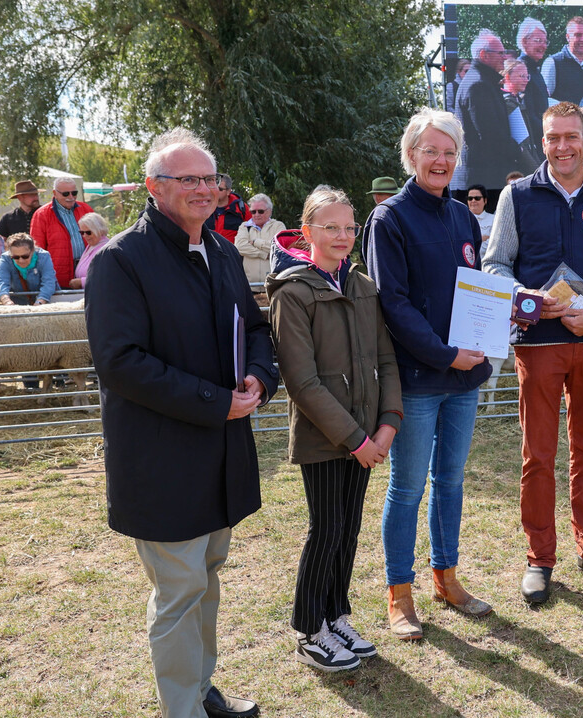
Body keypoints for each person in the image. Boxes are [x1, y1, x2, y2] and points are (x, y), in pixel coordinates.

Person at [85, 127, 278, 718]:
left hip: (220, 453)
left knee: (207, 578)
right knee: (178, 591)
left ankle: (199, 689)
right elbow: (121, 363)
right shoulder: (121, 260)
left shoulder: (219, 250)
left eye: (208, 179)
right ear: (153, 187)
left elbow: (257, 332)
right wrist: (212, 401)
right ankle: (183, 710)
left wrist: (258, 380)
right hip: (162, 457)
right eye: (186, 179)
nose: (202, 190)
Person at [483, 101, 583, 605]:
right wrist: (526, 301)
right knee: (538, 454)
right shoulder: (516, 194)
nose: (563, 146)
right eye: (553, 138)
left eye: (571, 137)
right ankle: (539, 558)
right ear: (543, 141)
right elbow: (495, 266)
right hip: (539, 344)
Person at [365, 107, 494, 640]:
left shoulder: (463, 216)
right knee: (408, 487)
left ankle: (447, 577)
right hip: (418, 381)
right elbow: (392, 304)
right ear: (411, 154)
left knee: (452, 482)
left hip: (465, 379)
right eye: (431, 150)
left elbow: (477, 287)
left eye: (449, 152)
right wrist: (445, 354)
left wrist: (501, 315)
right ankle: (400, 592)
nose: (441, 160)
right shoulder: (389, 218)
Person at [268, 186, 401, 672]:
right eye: (331, 227)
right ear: (307, 232)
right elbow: (302, 382)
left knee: (348, 529)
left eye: (350, 228)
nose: (343, 236)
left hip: (367, 434)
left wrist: (387, 424)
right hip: (327, 438)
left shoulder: (363, 286)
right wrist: (357, 440)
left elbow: (386, 359)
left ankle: (336, 613)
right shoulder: (294, 292)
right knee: (325, 529)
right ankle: (308, 627)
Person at [454, 29, 520, 189]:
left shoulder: (482, 81)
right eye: (501, 53)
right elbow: (491, 136)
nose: (505, 57)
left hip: (485, 177)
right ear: (484, 55)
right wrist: (518, 150)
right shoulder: (479, 85)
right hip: (482, 181)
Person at [541, 16, 583, 162]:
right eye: (578, 35)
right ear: (567, 37)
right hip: (564, 139)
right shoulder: (553, 62)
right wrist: (574, 112)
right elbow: (543, 99)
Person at [30, 177, 94, 289]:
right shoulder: (42, 215)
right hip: (58, 278)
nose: (71, 197)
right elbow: (37, 251)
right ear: (55, 193)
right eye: (66, 194)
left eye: (74, 193)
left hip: (88, 273)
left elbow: (100, 239)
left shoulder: (86, 209)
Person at [501, 58, 545, 175]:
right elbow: (522, 144)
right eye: (521, 76)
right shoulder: (508, 103)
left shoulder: (517, 100)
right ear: (507, 77)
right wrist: (537, 172)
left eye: (527, 76)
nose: (526, 80)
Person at [235, 193, 286, 287]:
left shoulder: (278, 226)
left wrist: (256, 242)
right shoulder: (244, 226)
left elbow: (279, 249)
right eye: (253, 211)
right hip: (249, 287)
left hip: (273, 286)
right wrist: (264, 254)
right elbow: (239, 247)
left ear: (269, 211)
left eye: (261, 211)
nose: (256, 215)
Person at [0, 233, 58, 305]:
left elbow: (49, 282)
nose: (21, 260)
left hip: (45, 302)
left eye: (25, 256)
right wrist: (6, 301)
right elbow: (1, 282)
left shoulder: (44, 256)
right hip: (17, 303)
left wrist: (40, 301)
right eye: (16, 257)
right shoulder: (5, 258)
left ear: (33, 250)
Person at [516, 18, 549, 149]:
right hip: (533, 142)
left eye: (545, 42)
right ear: (524, 41)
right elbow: (528, 114)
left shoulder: (534, 69)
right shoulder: (521, 69)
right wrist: (549, 133)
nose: (544, 46)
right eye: (538, 41)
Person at [204, 173, 251, 244]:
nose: (216, 191)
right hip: (208, 252)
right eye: (214, 188)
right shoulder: (203, 207)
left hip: (232, 252)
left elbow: (253, 230)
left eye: (220, 189)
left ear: (228, 191)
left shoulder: (241, 208)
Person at [69, 213, 112, 289]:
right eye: (82, 232)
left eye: (88, 232)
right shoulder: (91, 245)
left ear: (100, 230)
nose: (84, 236)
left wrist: (81, 282)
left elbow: (107, 277)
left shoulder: (106, 249)